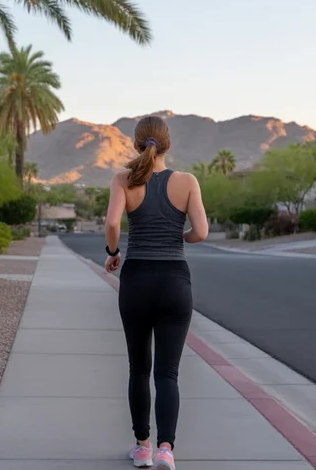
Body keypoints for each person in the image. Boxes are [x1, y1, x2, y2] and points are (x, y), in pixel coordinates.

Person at [103, 115, 209, 469]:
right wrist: (181, 237)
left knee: (138, 368)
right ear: (168, 145)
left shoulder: (123, 179)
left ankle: (143, 447)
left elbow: (113, 223)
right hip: (175, 281)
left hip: (136, 281)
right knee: (168, 373)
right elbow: (202, 232)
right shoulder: (187, 181)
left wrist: (113, 254)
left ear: (136, 144)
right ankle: (166, 448)